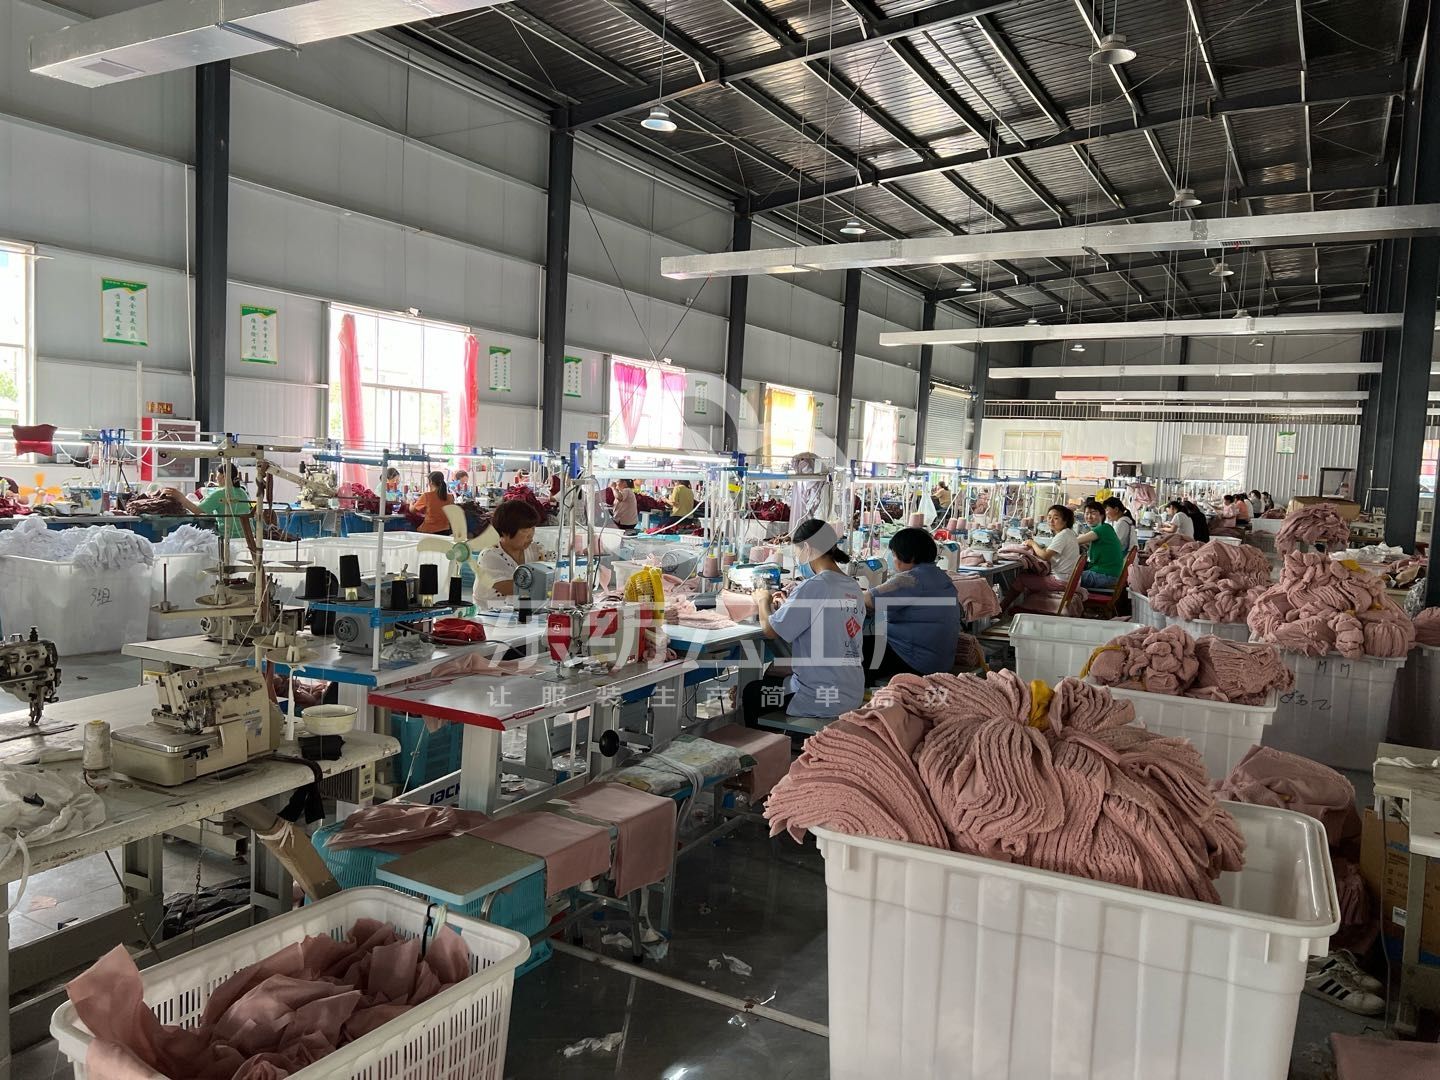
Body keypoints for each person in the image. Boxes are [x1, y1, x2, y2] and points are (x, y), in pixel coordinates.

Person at [743, 520, 865, 728]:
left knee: (752, 692)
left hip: (819, 696)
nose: (798, 559)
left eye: (797, 552)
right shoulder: (852, 586)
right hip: (851, 692)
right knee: (772, 676)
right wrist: (790, 604)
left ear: (807, 548)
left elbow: (770, 630)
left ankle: (773, 746)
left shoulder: (816, 585)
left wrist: (763, 600)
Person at [862, 527, 961, 680]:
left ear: (911, 556)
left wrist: (848, 590)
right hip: (939, 660)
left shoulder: (911, 579)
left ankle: (857, 690)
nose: (893, 560)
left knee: (850, 649)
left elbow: (869, 599)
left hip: (915, 661)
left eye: (894, 555)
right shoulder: (939, 575)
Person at [1002, 504, 1081, 612]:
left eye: (1056, 518)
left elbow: (1045, 555)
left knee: (1021, 579)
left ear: (1065, 520)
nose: (1051, 521)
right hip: (1068, 580)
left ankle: (1002, 609)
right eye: (1049, 517)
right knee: (1032, 575)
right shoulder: (1070, 534)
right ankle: (1024, 607)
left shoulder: (1062, 536)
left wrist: (1032, 543)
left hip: (1060, 581)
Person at [474, 499, 543, 606]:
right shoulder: (490, 555)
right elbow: (510, 588)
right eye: (524, 531)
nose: (530, 535)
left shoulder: (535, 549)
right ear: (505, 532)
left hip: (522, 609)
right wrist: (547, 582)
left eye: (533, 528)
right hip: (491, 612)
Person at [167, 464, 251, 540]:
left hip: (230, 538)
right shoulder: (242, 491)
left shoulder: (220, 493)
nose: (216, 479)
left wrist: (180, 497)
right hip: (248, 537)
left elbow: (197, 511)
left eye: (217, 476)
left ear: (224, 476)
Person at [1076, 501, 1125, 589]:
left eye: (1093, 513)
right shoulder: (1106, 528)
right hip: (1110, 574)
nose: (1089, 516)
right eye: (1086, 513)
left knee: (1066, 578)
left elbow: (1074, 541)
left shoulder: (1103, 529)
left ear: (1102, 515)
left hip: (1105, 575)